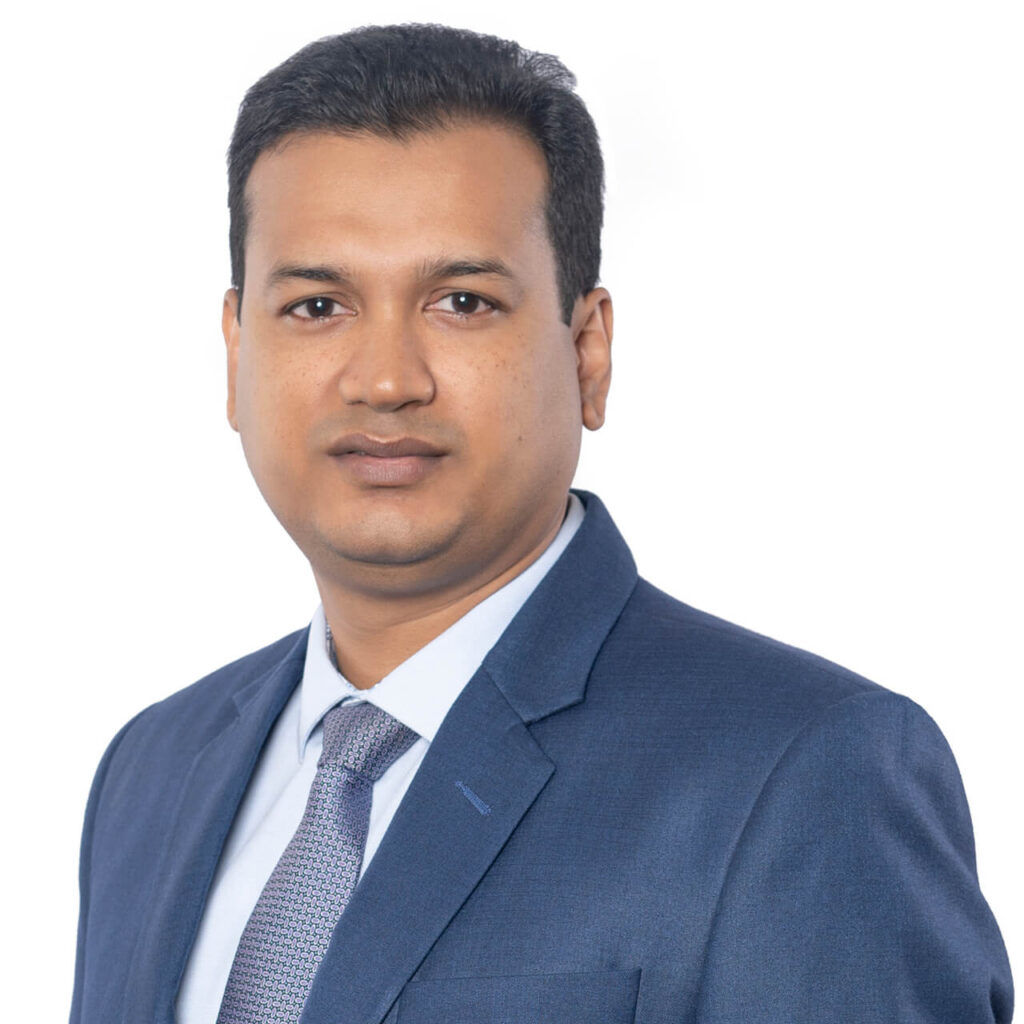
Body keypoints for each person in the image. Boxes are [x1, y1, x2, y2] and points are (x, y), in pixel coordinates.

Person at [69, 23, 1013, 1024]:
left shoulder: (805, 774)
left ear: (588, 351)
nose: (384, 380)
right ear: (235, 353)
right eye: (316, 306)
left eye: (461, 301)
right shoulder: (151, 772)